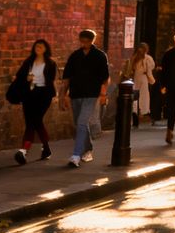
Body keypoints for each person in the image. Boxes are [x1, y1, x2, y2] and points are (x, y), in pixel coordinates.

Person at [60, 29, 110, 168]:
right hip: (75, 94)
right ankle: (88, 149)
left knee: (82, 122)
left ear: (92, 40)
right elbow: (66, 78)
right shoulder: (75, 56)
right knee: (79, 123)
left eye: (87, 41)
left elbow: (105, 78)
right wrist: (62, 95)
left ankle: (76, 155)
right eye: (82, 40)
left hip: (91, 95)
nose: (84, 43)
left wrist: (103, 94)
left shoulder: (100, 56)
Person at [12, 39, 57, 165]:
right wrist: (26, 78)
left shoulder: (50, 63)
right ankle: (45, 148)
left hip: (44, 95)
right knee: (31, 122)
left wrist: (57, 94)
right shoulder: (29, 61)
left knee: (35, 120)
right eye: (37, 46)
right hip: (30, 93)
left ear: (45, 49)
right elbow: (18, 76)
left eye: (41, 47)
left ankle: (24, 150)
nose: (38, 48)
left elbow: (52, 80)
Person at [126, 42, 155, 128]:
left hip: (135, 79)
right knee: (144, 98)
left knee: (135, 99)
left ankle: (135, 121)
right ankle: (145, 116)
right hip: (143, 79)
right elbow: (151, 67)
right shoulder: (148, 58)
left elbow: (130, 69)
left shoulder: (134, 58)